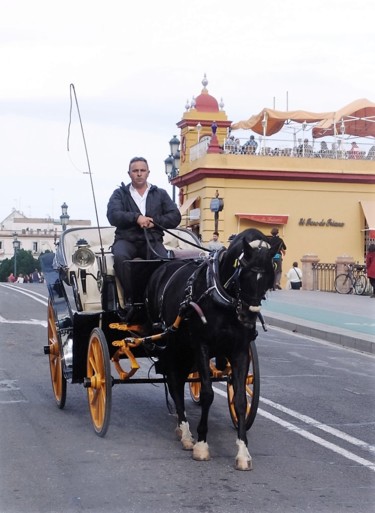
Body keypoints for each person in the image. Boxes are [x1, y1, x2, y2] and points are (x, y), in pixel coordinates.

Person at [107, 156, 181, 317]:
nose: (139, 174)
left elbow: (175, 216)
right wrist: (136, 218)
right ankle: (130, 298)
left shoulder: (160, 194)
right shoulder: (120, 194)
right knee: (120, 257)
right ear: (129, 174)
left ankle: (158, 298)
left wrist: (155, 222)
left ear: (148, 173)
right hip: (126, 239)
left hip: (152, 239)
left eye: (142, 170)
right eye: (135, 171)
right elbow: (113, 215)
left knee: (163, 261)